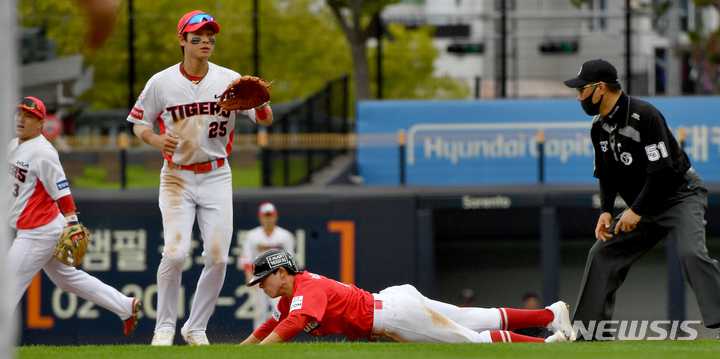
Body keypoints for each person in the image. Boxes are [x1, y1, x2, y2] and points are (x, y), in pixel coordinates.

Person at [127, 10, 273, 346]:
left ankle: (195, 327)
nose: (205, 41)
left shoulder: (228, 79)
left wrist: (262, 102)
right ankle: (163, 327)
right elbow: (139, 123)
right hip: (176, 176)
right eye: (198, 35)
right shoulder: (161, 82)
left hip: (217, 175)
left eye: (210, 36)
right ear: (182, 40)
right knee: (176, 253)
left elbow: (263, 118)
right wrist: (155, 139)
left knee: (218, 256)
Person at [564, 59, 720, 339]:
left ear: (601, 88)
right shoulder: (598, 127)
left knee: (692, 254)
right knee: (600, 254)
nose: (579, 97)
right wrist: (606, 211)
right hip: (643, 205)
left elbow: (661, 172)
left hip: (679, 196)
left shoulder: (645, 115)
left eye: (582, 90)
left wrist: (635, 209)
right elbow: (606, 175)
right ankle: (588, 335)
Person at [6, 96, 141, 335]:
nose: (22, 119)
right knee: (66, 279)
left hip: (38, 232)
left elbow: (62, 190)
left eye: (29, 116)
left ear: (41, 124)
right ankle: (125, 306)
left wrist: (74, 223)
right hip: (42, 225)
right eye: (20, 114)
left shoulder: (43, 152)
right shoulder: (12, 145)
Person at [239, 249, 576, 344]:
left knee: (474, 341)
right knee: (480, 317)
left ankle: (547, 344)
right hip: (393, 300)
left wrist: (262, 353)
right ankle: (550, 316)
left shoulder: (306, 286)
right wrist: (242, 354)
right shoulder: (288, 298)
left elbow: (298, 322)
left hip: (394, 317)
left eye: (263, 279)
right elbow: (273, 324)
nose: (261, 285)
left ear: (282, 272)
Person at [240, 202, 295, 329]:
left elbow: (290, 259)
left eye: (270, 216)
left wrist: (287, 279)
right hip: (259, 277)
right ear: (260, 217)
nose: (268, 219)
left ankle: (279, 337)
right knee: (259, 311)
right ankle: (258, 341)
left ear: (275, 217)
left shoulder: (285, 235)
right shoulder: (252, 236)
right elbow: (246, 258)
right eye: (265, 216)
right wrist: (249, 276)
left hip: (278, 278)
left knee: (279, 309)